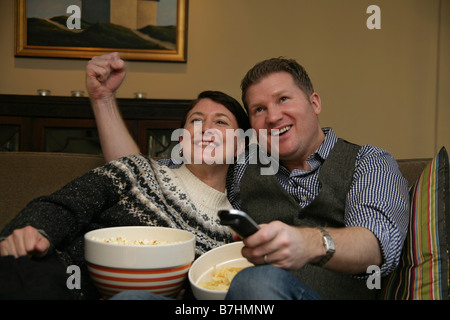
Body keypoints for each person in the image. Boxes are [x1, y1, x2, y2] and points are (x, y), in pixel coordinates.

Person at [92, 55, 410, 300]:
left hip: (291, 292)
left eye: (283, 99)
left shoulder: (369, 162)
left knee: (259, 280)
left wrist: (310, 242)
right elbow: (141, 174)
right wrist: (103, 100)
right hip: (240, 300)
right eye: (258, 109)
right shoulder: (243, 164)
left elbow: (377, 245)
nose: (272, 116)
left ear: (314, 103)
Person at [0, 53, 250, 300]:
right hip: (57, 279)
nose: (205, 128)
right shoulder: (137, 169)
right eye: (196, 121)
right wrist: (35, 232)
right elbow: (64, 206)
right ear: (181, 139)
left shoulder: (234, 229)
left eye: (221, 122)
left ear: (240, 145)